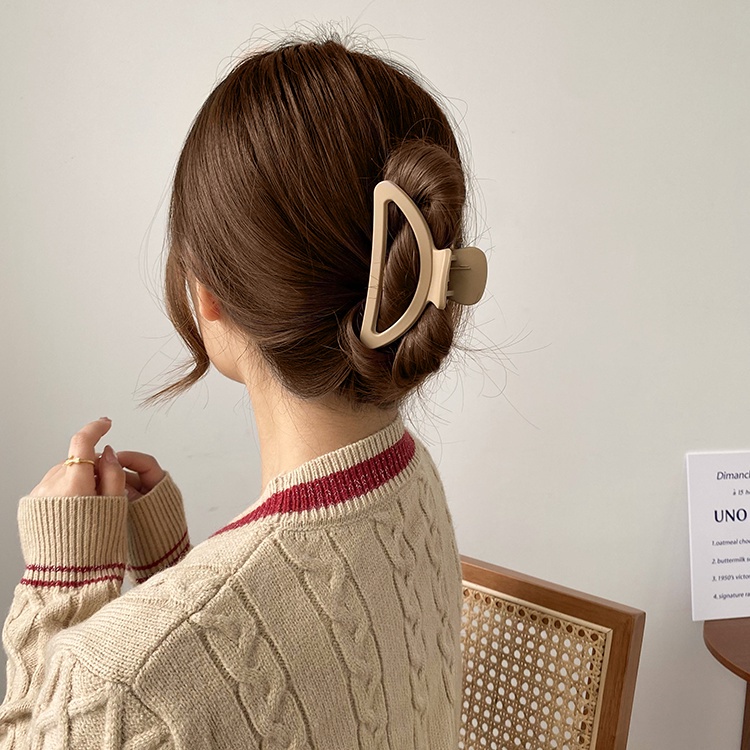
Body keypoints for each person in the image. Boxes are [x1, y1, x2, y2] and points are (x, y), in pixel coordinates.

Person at [0, 33, 487, 749]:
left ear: (210, 295)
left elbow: (156, 690)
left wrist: (62, 590)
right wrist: (177, 571)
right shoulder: (411, 484)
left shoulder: (119, 685)